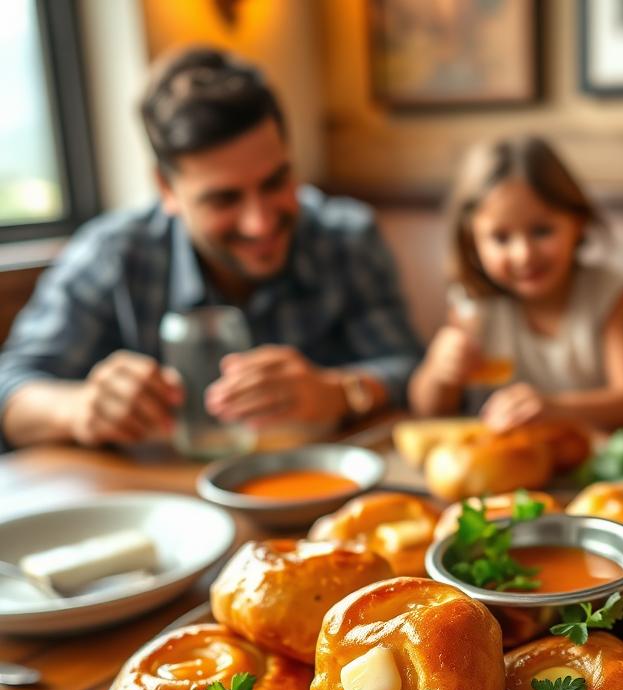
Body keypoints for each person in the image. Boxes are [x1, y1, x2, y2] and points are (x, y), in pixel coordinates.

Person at [0, 47, 421, 451]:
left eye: (275, 182)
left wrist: (340, 392)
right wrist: (79, 409)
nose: (260, 223)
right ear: (167, 189)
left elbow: (408, 365)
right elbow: (10, 388)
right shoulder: (112, 256)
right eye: (224, 199)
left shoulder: (346, 238)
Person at [408, 135, 623, 431]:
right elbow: (429, 409)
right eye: (501, 238)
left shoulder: (609, 294)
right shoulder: (473, 304)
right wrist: (439, 371)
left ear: (577, 223)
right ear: (471, 239)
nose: (524, 255)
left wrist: (557, 409)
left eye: (541, 231)